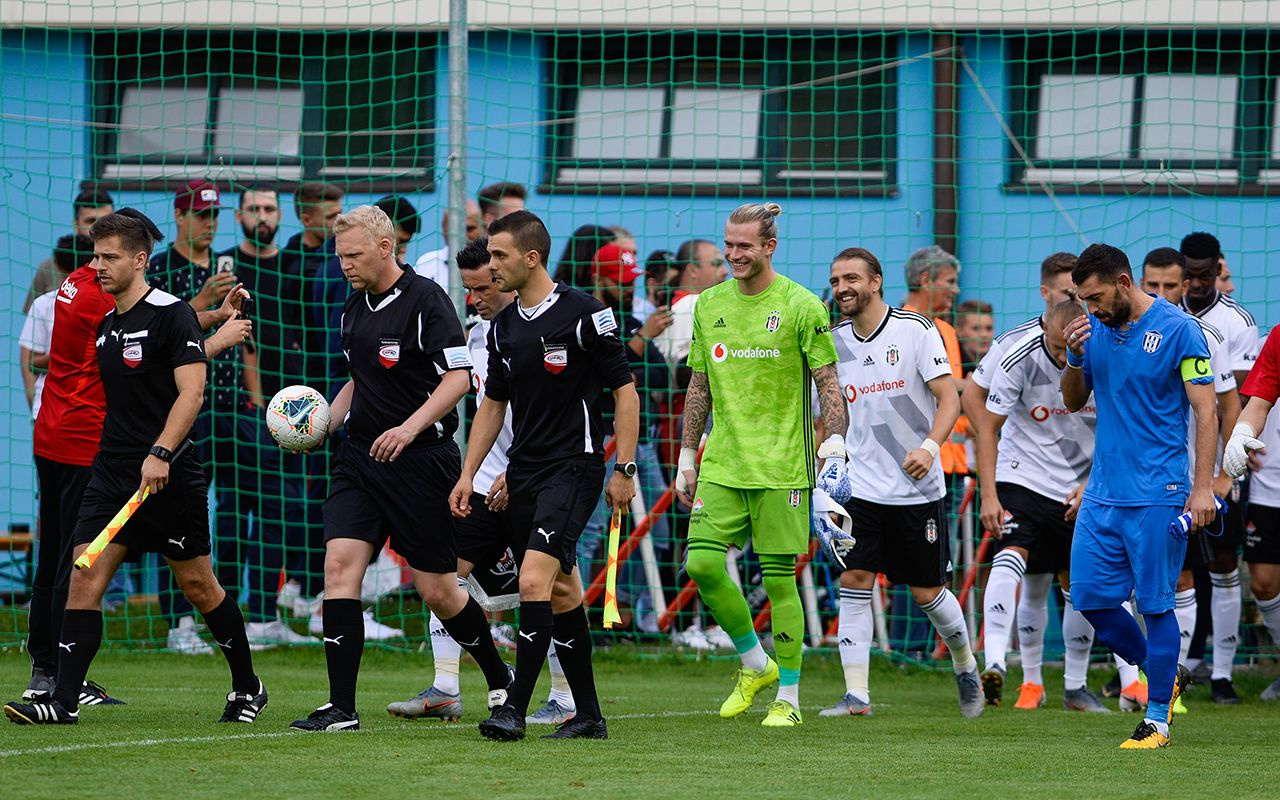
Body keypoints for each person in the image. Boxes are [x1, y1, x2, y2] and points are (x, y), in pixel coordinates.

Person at [4, 208, 264, 727]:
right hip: (112, 473)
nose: (98, 265)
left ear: (140, 259)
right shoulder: (107, 321)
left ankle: (247, 687)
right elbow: (149, 371)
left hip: (169, 475)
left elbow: (190, 393)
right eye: (95, 256)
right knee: (83, 577)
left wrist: (160, 454)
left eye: (109, 257)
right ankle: (63, 697)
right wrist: (215, 322)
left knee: (199, 587)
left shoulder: (170, 313)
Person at [289, 206, 514, 733]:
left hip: (421, 463)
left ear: (386, 248)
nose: (345, 264)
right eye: (340, 255)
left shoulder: (426, 300)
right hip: (359, 460)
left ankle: (499, 676)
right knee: (339, 569)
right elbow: (357, 381)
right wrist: (323, 422)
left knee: (437, 589)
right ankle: (341, 707)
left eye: (354, 254)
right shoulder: (352, 308)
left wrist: (409, 428)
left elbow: (458, 379)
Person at [452, 209, 639, 741]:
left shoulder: (586, 314)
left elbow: (625, 392)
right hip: (522, 475)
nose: (490, 266)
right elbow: (492, 406)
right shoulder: (503, 328)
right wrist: (469, 475)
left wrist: (623, 466)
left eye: (499, 256)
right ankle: (589, 717)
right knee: (560, 593)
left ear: (530, 258)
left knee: (533, 580)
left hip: (574, 470)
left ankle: (512, 707)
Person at [386, 237, 577, 726]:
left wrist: (517, 472)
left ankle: (565, 698)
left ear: (508, 278)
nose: (475, 298)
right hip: (484, 483)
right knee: (444, 575)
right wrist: (468, 475)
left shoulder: (548, 330)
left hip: (534, 480)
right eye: (468, 289)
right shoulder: (476, 336)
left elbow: (550, 416)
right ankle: (447, 687)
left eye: (483, 287)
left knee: (554, 588)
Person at [673, 203, 847, 728]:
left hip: (784, 467)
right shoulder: (708, 305)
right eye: (729, 245)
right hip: (723, 462)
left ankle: (789, 699)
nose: (734, 255)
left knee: (779, 582)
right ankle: (754, 663)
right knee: (701, 564)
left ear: (770, 247)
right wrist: (686, 455)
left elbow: (829, 385)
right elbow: (698, 384)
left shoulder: (802, 305)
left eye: (745, 246)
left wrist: (834, 442)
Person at [1061, 243, 1215, 748]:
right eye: (1085, 300)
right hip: (1102, 492)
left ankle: (1156, 721)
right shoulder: (1094, 333)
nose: (1092, 308)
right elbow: (1073, 399)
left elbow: (1206, 412)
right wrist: (1074, 357)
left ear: (1124, 282)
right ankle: (1162, 671)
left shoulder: (1180, 330)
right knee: (1089, 597)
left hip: (1158, 492)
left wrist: (1202, 489)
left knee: (1154, 605)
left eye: (1098, 296)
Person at [821, 247, 980, 719]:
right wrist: (824, 476)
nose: (842, 287)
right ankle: (856, 697)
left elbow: (950, 398)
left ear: (876, 281)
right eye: (835, 280)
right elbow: (826, 417)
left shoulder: (917, 330)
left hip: (917, 487)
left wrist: (929, 448)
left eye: (852, 277)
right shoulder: (833, 342)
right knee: (855, 578)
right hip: (859, 487)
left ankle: (965, 663)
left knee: (926, 592)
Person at [976, 300, 1105, 712]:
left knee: (1077, 581)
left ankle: (1075, 686)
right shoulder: (1019, 356)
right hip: (1023, 476)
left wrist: (1092, 483)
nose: (1061, 355)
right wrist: (990, 495)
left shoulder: (1105, 355)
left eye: (1069, 348)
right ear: (1045, 328)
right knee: (1012, 555)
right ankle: (995, 661)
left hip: (1079, 484)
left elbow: (1120, 429)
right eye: (1055, 346)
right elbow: (988, 426)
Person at [210, 187, 316, 649]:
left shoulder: (293, 269)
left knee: (283, 511)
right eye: (254, 208)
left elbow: (303, 336)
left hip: (293, 409)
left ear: (281, 214)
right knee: (234, 511)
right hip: (240, 410)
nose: (263, 215)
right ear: (239, 216)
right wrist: (253, 401)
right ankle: (230, 614)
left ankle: (269, 612)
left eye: (271, 207)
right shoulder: (226, 267)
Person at [21, 233, 123, 708]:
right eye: (105, 256)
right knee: (74, 558)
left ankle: (45, 666)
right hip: (83, 442)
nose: (106, 264)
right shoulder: (100, 298)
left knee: (55, 555)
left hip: (53, 433)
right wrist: (212, 327)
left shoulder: (74, 284)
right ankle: (56, 675)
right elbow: (153, 350)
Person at [1141, 246, 1241, 712]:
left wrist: (1220, 476)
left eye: (1168, 286)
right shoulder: (1110, 329)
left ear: (1186, 288)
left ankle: (1174, 683)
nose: (1158, 293)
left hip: (1178, 480)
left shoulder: (1200, 334)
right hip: (1119, 481)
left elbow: (1224, 407)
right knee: (1113, 585)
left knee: (1183, 577)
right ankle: (1143, 673)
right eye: (1151, 284)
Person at [147, 179, 237, 654]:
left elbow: (249, 338)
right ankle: (177, 621)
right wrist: (204, 300)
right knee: (175, 514)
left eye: (215, 215)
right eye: (201, 215)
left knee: (233, 510)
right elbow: (160, 335)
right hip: (182, 408)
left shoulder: (230, 265)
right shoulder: (161, 269)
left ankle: (233, 612)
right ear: (180, 216)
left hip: (228, 404)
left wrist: (255, 400)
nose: (210, 224)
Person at [1178, 231, 1258, 703]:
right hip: (1172, 464)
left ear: (1218, 270)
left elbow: (1242, 401)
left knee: (1224, 565)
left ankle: (1223, 674)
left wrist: (1227, 470)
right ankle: (1168, 669)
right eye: (1188, 275)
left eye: (1204, 275)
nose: (1195, 283)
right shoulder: (1163, 314)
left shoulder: (1237, 322)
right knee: (1169, 571)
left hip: (1220, 464)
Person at [578, 243, 671, 633]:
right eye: (621, 282)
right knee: (588, 534)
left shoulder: (629, 321)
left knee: (660, 529)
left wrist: (632, 364)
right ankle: (574, 621)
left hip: (638, 442)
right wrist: (638, 348)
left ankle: (635, 613)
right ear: (599, 279)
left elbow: (661, 376)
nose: (629, 289)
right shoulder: (583, 314)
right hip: (596, 442)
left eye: (631, 281)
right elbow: (595, 378)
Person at [1224, 328, 1280, 699]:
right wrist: (1240, 433)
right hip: (1269, 484)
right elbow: (1257, 402)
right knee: (1262, 582)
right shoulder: (1276, 339)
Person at [24, 186, 113, 313]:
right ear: (76, 224)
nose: (99, 228)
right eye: (91, 221)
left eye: (106, 221)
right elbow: (34, 320)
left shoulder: (125, 265)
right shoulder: (49, 268)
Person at [653, 239, 726, 366]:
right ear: (692, 270)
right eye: (716, 264)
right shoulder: (696, 305)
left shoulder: (673, 306)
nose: (725, 272)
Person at [411, 198, 482, 286]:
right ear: (444, 228)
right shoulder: (425, 264)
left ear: (483, 227)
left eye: (470, 229)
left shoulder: (492, 264)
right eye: (456, 229)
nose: (462, 236)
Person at [955, 299, 994, 375]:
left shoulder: (996, 365)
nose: (984, 334)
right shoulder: (949, 366)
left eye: (989, 328)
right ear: (959, 331)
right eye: (976, 328)